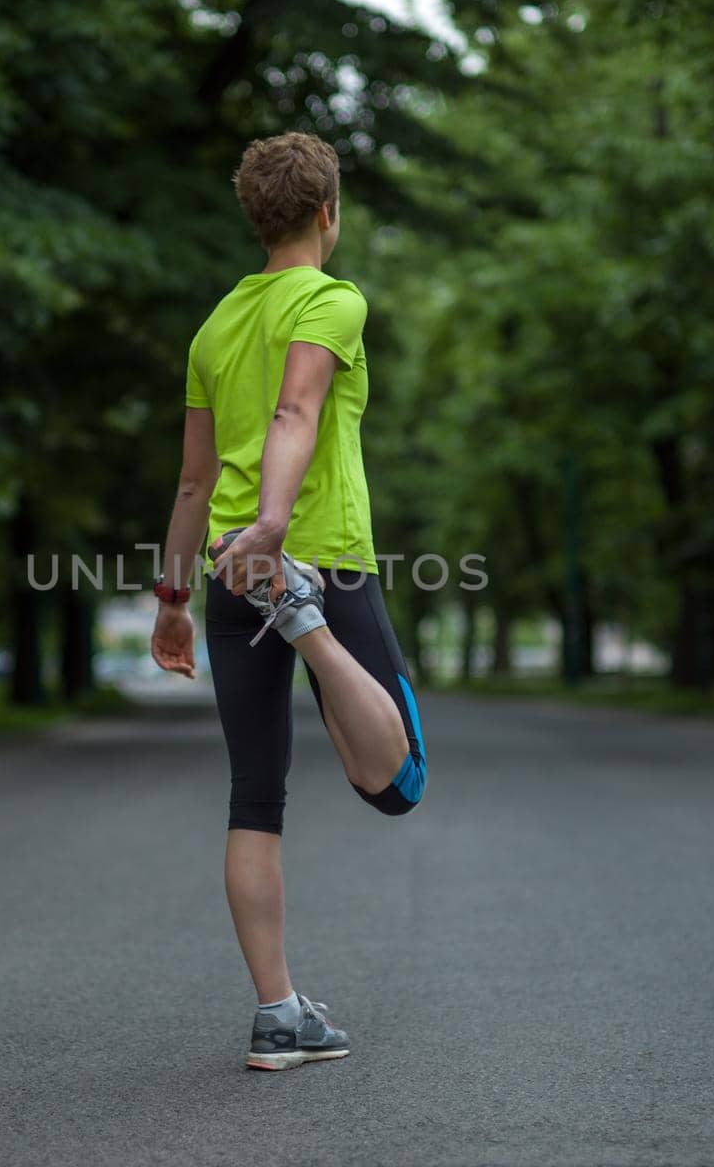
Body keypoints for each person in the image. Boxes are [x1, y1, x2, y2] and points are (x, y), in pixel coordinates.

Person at [150, 131, 427, 1071]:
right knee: (400, 782)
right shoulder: (333, 299)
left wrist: (173, 598)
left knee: (254, 798)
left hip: (227, 570)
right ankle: (306, 623)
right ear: (326, 213)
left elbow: (192, 484)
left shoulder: (215, 327)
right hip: (315, 561)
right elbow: (295, 412)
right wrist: (278, 530)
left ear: (255, 218)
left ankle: (278, 1016)